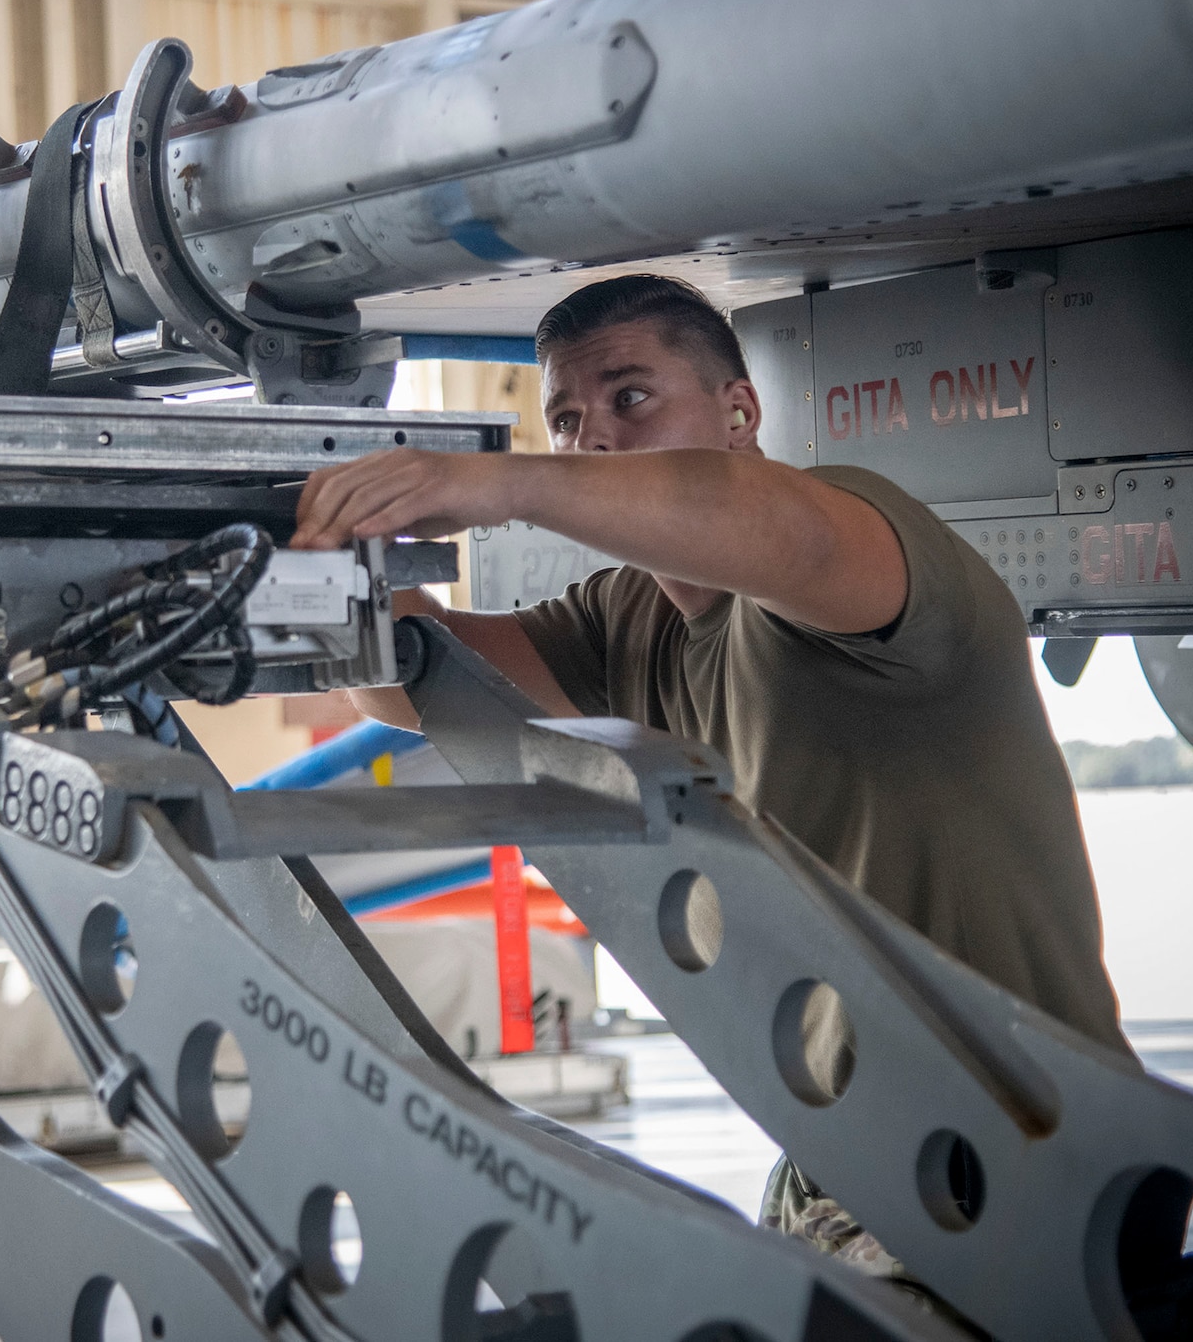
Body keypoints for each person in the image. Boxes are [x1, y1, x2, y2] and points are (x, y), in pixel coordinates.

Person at [292, 274, 1139, 1312]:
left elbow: (773, 525)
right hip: (846, 1163)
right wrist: (308, 549)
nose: (591, 437)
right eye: (566, 419)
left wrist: (500, 480)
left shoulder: (860, 544)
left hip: (1027, 1159)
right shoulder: (624, 617)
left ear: (738, 412)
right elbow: (413, 680)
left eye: (629, 398)